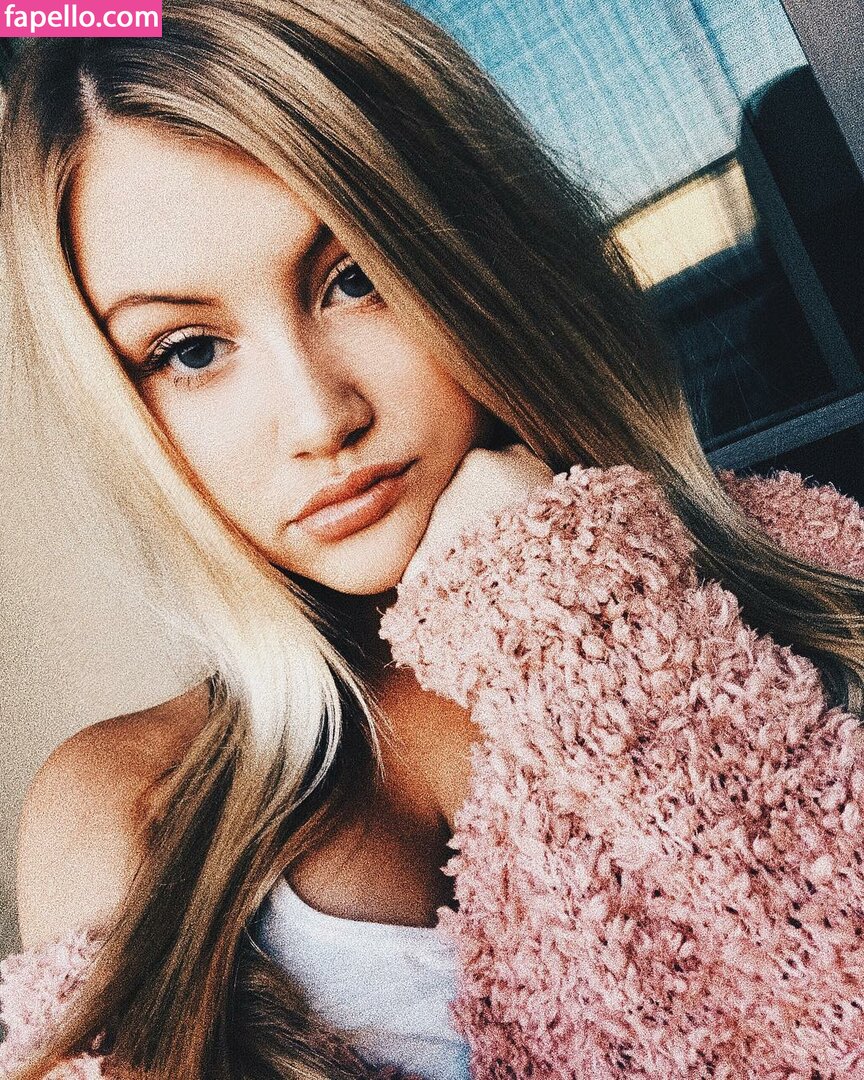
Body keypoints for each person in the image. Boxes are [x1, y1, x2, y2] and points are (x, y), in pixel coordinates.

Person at [2, 1, 864, 1078]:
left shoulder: (814, 573)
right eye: (189, 350)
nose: (319, 417)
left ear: (476, 257)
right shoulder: (129, 804)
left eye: (354, 278)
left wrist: (576, 612)